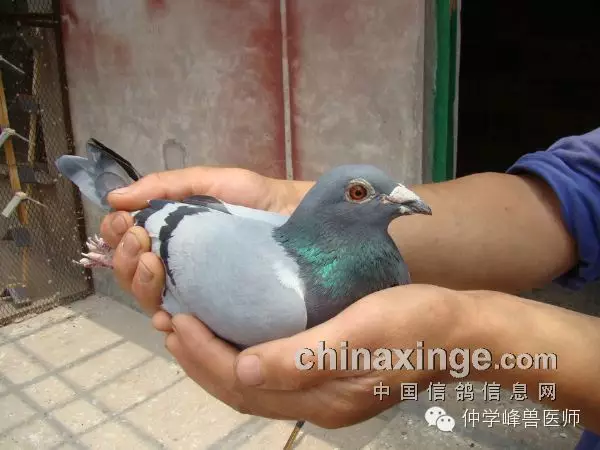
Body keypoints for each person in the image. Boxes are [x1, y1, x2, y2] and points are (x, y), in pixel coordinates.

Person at [98, 127, 600, 448]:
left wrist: (466, 334)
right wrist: (279, 197)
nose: (404, 198)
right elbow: (577, 189)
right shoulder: (281, 300)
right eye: (362, 193)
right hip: (184, 229)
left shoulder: (369, 268)